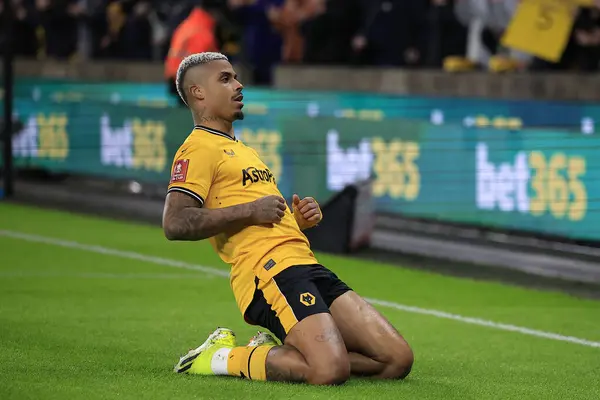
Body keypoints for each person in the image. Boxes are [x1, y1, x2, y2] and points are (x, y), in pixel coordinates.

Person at [162, 52, 414, 385]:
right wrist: (251, 211)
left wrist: (296, 221)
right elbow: (175, 223)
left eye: (236, 77)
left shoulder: (244, 150)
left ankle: (276, 351)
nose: (238, 85)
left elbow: (259, 220)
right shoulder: (198, 149)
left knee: (395, 359)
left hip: (305, 264)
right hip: (267, 272)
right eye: (225, 79)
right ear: (198, 93)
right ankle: (218, 357)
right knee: (328, 371)